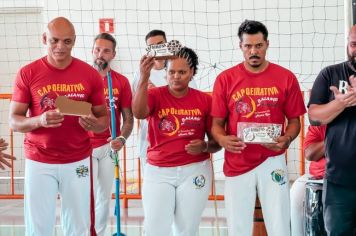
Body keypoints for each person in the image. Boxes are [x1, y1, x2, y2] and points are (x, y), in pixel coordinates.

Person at [8, 17, 108, 236]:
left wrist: (94, 124)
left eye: (66, 41)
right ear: (45, 38)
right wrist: (39, 121)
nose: (60, 47)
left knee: (79, 227)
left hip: (78, 160)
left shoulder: (90, 75)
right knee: (38, 228)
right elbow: (14, 120)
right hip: (39, 160)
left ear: (74, 41)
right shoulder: (28, 73)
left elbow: (103, 121)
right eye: (54, 40)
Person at [211, 19, 306, 236]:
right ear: (241, 47)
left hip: (272, 159)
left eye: (258, 45)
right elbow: (216, 125)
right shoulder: (225, 79)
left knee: (280, 223)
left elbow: (294, 121)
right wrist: (223, 140)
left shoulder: (286, 77)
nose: (253, 51)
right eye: (248, 46)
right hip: (238, 161)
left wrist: (288, 138)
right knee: (238, 226)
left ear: (267, 44)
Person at [132, 47, 220, 236]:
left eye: (182, 72)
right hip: (158, 171)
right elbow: (138, 113)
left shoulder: (205, 101)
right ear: (165, 73)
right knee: (156, 229)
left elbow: (216, 143)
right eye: (171, 72)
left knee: (186, 230)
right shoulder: (155, 95)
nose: (176, 76)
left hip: (195, 170)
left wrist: (204, 146)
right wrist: (143, 77)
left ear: (192, 73)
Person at [308, 25, 356, 235]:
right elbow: (314, 117)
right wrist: (341, 103)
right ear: (348, 44)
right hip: (339, 180)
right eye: (354, 44)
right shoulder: (330, 74)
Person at [131, 29, 197, 171]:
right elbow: (135, 108)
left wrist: (160, 94)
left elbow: (191, 99)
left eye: (160, 44)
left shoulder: (180, 68)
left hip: (179, 140)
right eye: (152, 47)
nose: (157, 49)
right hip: (150, 142)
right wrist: (144, 90)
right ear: (147, 50)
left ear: (167, 44)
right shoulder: (141, 73)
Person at [91, 32, 133, 236]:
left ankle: (98, 232)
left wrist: (122, 138)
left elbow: (129, 118)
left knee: (103, 196)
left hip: (109, 147)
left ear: (113, 54)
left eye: (106, 50)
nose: (101, 54)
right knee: (83, 195)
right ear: (92, 51)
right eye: (98, 49)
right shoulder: (80, 78)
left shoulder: (121, 82)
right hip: (83, 148)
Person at [290, 125, 326, 236]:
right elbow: (309, 154)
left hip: (348, 175)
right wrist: (335, 137)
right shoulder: (322, 120)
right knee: (296, 191)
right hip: (320, 175)